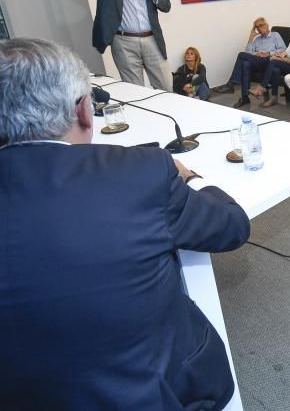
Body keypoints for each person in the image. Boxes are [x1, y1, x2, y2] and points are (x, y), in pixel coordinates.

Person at [0, 37, 250, 409]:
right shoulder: (143, 174)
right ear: (84, 110)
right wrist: (191, 178)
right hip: (158, 394)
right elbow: (232, 226)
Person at [212, 18, 287, 108]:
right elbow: (248, 53)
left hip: (269, 61)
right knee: (245, 64)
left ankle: (232, 84)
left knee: (241, 55)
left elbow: (283, 49)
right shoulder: (257, 39)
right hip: (258, 61)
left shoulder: (275, 35)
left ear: (266, 25)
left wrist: (268, 53)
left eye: (261, 25)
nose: (259, 28)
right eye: (257, 27)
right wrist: (251, 38)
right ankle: (244, 97)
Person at [258, 20, 290, 107]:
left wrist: (286, 54)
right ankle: (274, 97)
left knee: (273, 61)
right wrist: (283, 55)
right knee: (275, 70)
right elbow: (286, 51)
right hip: (288, 62)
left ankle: (262, 87)